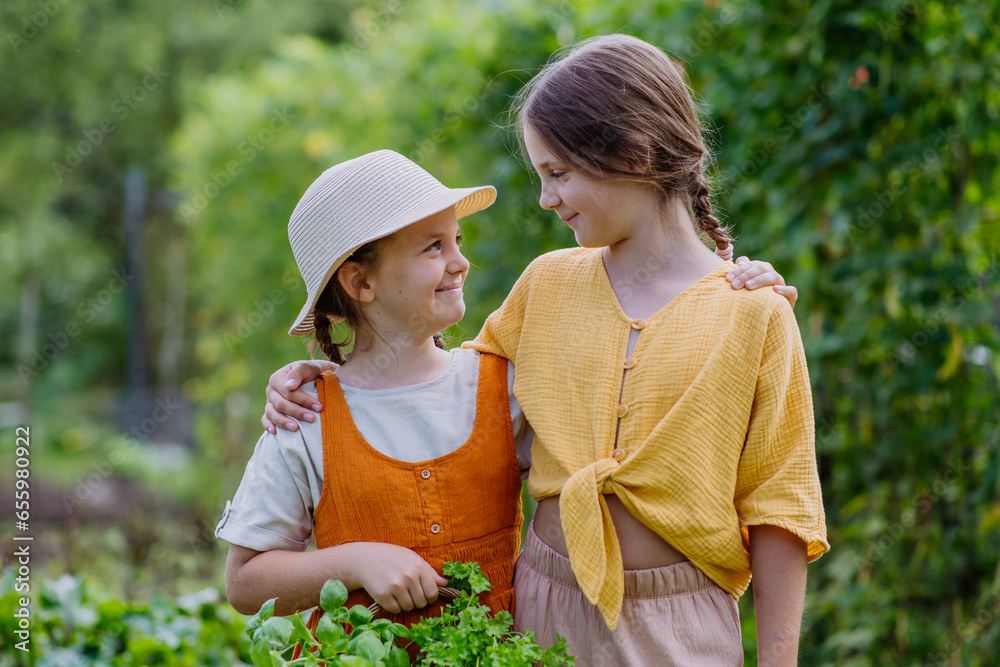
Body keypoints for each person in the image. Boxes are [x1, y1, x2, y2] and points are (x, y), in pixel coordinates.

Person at [260, 33, 827, 667]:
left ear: (634, 152)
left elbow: (780, 511)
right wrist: (319, 377)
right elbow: (442, 386)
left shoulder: (755, 315)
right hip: (543, 610)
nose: (546, 198)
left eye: (558, 173)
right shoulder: (547, 284)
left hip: (682, 625)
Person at [216, 150, 531, 647]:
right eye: (433, 247)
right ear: (361, 281)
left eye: (456, 241)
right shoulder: (309, 416)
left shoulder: (503, 387)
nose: (460, 262)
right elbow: (244, 584)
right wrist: (354, 562)